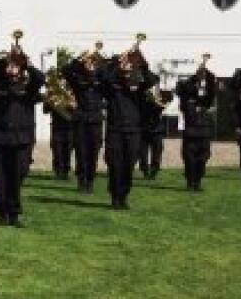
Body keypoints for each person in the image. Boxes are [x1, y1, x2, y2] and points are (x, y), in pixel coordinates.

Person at [0, 47, 45, 225]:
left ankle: (14, 210)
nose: (13, 69)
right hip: (0, 137)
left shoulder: (29, 86)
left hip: (22, 138)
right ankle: (4, 212)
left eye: (16, 66)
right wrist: (5, 62)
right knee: (1, 176)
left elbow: (41, 78)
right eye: (11, 66)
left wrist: (26, 63)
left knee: (19, 174)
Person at [98, 47, 151, 210]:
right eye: (126, 64)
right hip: (115, 130)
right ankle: (115, 196)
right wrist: (117, 62)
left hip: (134, 130)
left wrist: (140, 61)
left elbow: (151, 79)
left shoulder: (139, 85)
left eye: (130, 64)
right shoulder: (113, 83)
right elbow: (102, 75)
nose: (128, 67)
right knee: (115, 164)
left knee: (129, 164)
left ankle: (124, 195)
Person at [65, 45, 105, 194]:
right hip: (81, 119)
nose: (90, 65)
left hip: (95, 120)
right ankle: (81, 180)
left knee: (93, 152)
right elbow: (66, 70)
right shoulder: (78, 79)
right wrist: (80, 59)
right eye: (88, 63)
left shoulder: (101, 81)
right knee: (81, 152)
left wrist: (98, 62)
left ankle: (90, 181)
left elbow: (108, 74)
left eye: (93, 63)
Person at [177, 60, 217, 192]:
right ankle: (190, 182)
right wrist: (196, 77)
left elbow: (212, 90)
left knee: (203, 158)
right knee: (189, 160)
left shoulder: (206, 99)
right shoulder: (186, 98)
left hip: (204, 133)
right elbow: (184, 89)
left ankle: (198, 181)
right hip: (190, 132)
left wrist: (206, 73)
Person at [138, 73, 173, 180]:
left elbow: (164, 103)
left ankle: (154, 170)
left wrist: (155, 98)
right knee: (143, 153)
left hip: (157, 128)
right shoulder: (142, 93)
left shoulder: (161, 94)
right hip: (143, 127)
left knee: (157, 152)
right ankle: (144, 170)